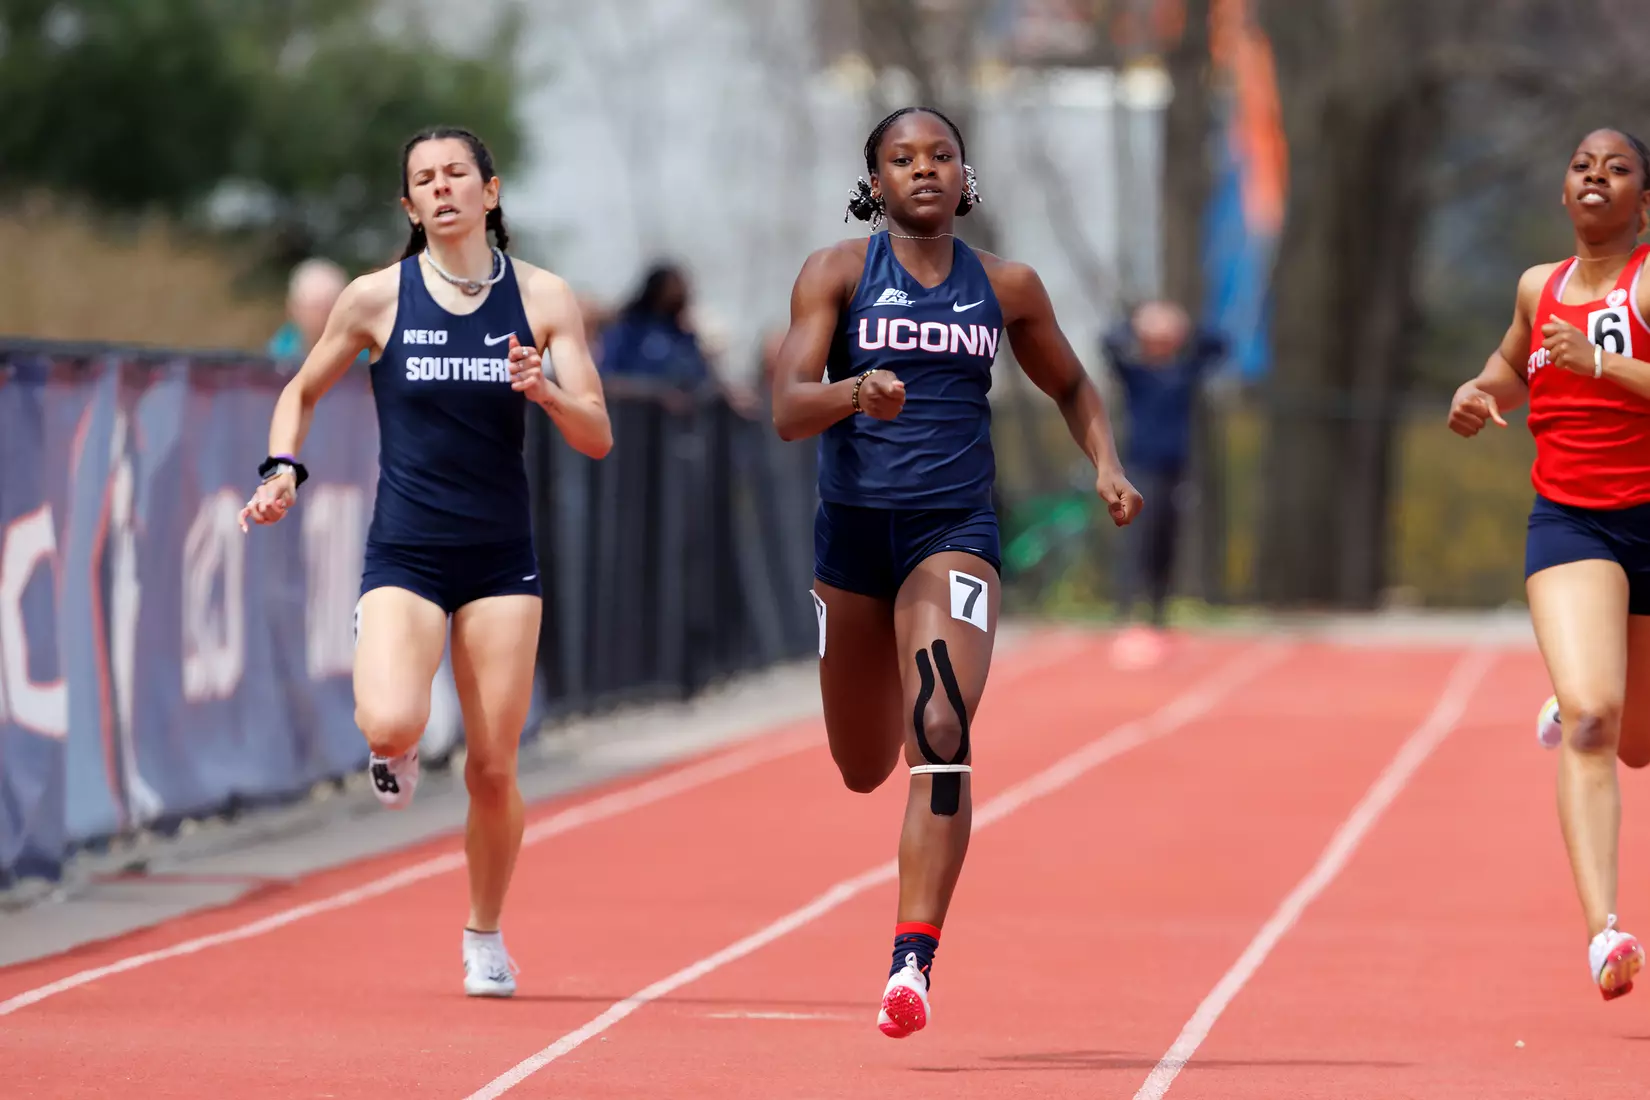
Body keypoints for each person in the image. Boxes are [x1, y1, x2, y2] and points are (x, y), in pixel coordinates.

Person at [770, 105, 1143, 1038]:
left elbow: (1069, 381)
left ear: (966, 176)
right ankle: (906, 891)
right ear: (877, 181)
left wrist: (1104, 461)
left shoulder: (1006, 285)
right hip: (852, 541)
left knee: (940, 723)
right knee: (862, 766)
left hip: (954, 530)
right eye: (903, 159)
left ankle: (911, 965)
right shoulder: (838, 273)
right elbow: (784, 406)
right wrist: (859, 390)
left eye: (941, 155)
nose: (924, 170)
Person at [238, 126, 612, 998]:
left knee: (492, 765)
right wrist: (282, 468)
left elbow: (596, 434)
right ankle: (395, 740)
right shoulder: (376, 298)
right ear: (410, 208)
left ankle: (485, 933)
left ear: (491, 191)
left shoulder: (545, 298)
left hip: (499, 559)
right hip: (405, 548)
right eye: (424, 181)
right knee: (391, 724)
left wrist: (545, 391)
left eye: (456, 175)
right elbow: (299, 390)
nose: (442, 189)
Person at [1449, 127, 1650, 1002]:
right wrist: (1480, 391)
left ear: (1644, 199)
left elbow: (1589, 364)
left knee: (1639, 743)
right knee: (1596, 724)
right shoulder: (1541, 287)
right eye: (1582, 167)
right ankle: (1606, 931)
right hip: (1573, 522)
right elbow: (1508, 362)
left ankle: (1578, 683)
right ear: (1564, 195)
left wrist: (1603, 362)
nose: (1596, 177)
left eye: (1618, 168)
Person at [1102, 299, 1227, 665]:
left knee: (1166, 540)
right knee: (1139, 537)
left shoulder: (1183, 373)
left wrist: (1182, 326)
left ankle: (1158, 612)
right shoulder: (1135, 374)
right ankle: (1127, 610)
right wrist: (1140, 323)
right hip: (1140, 468)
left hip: (1176, 468)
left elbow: (1218, 346)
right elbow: (1107, 343)